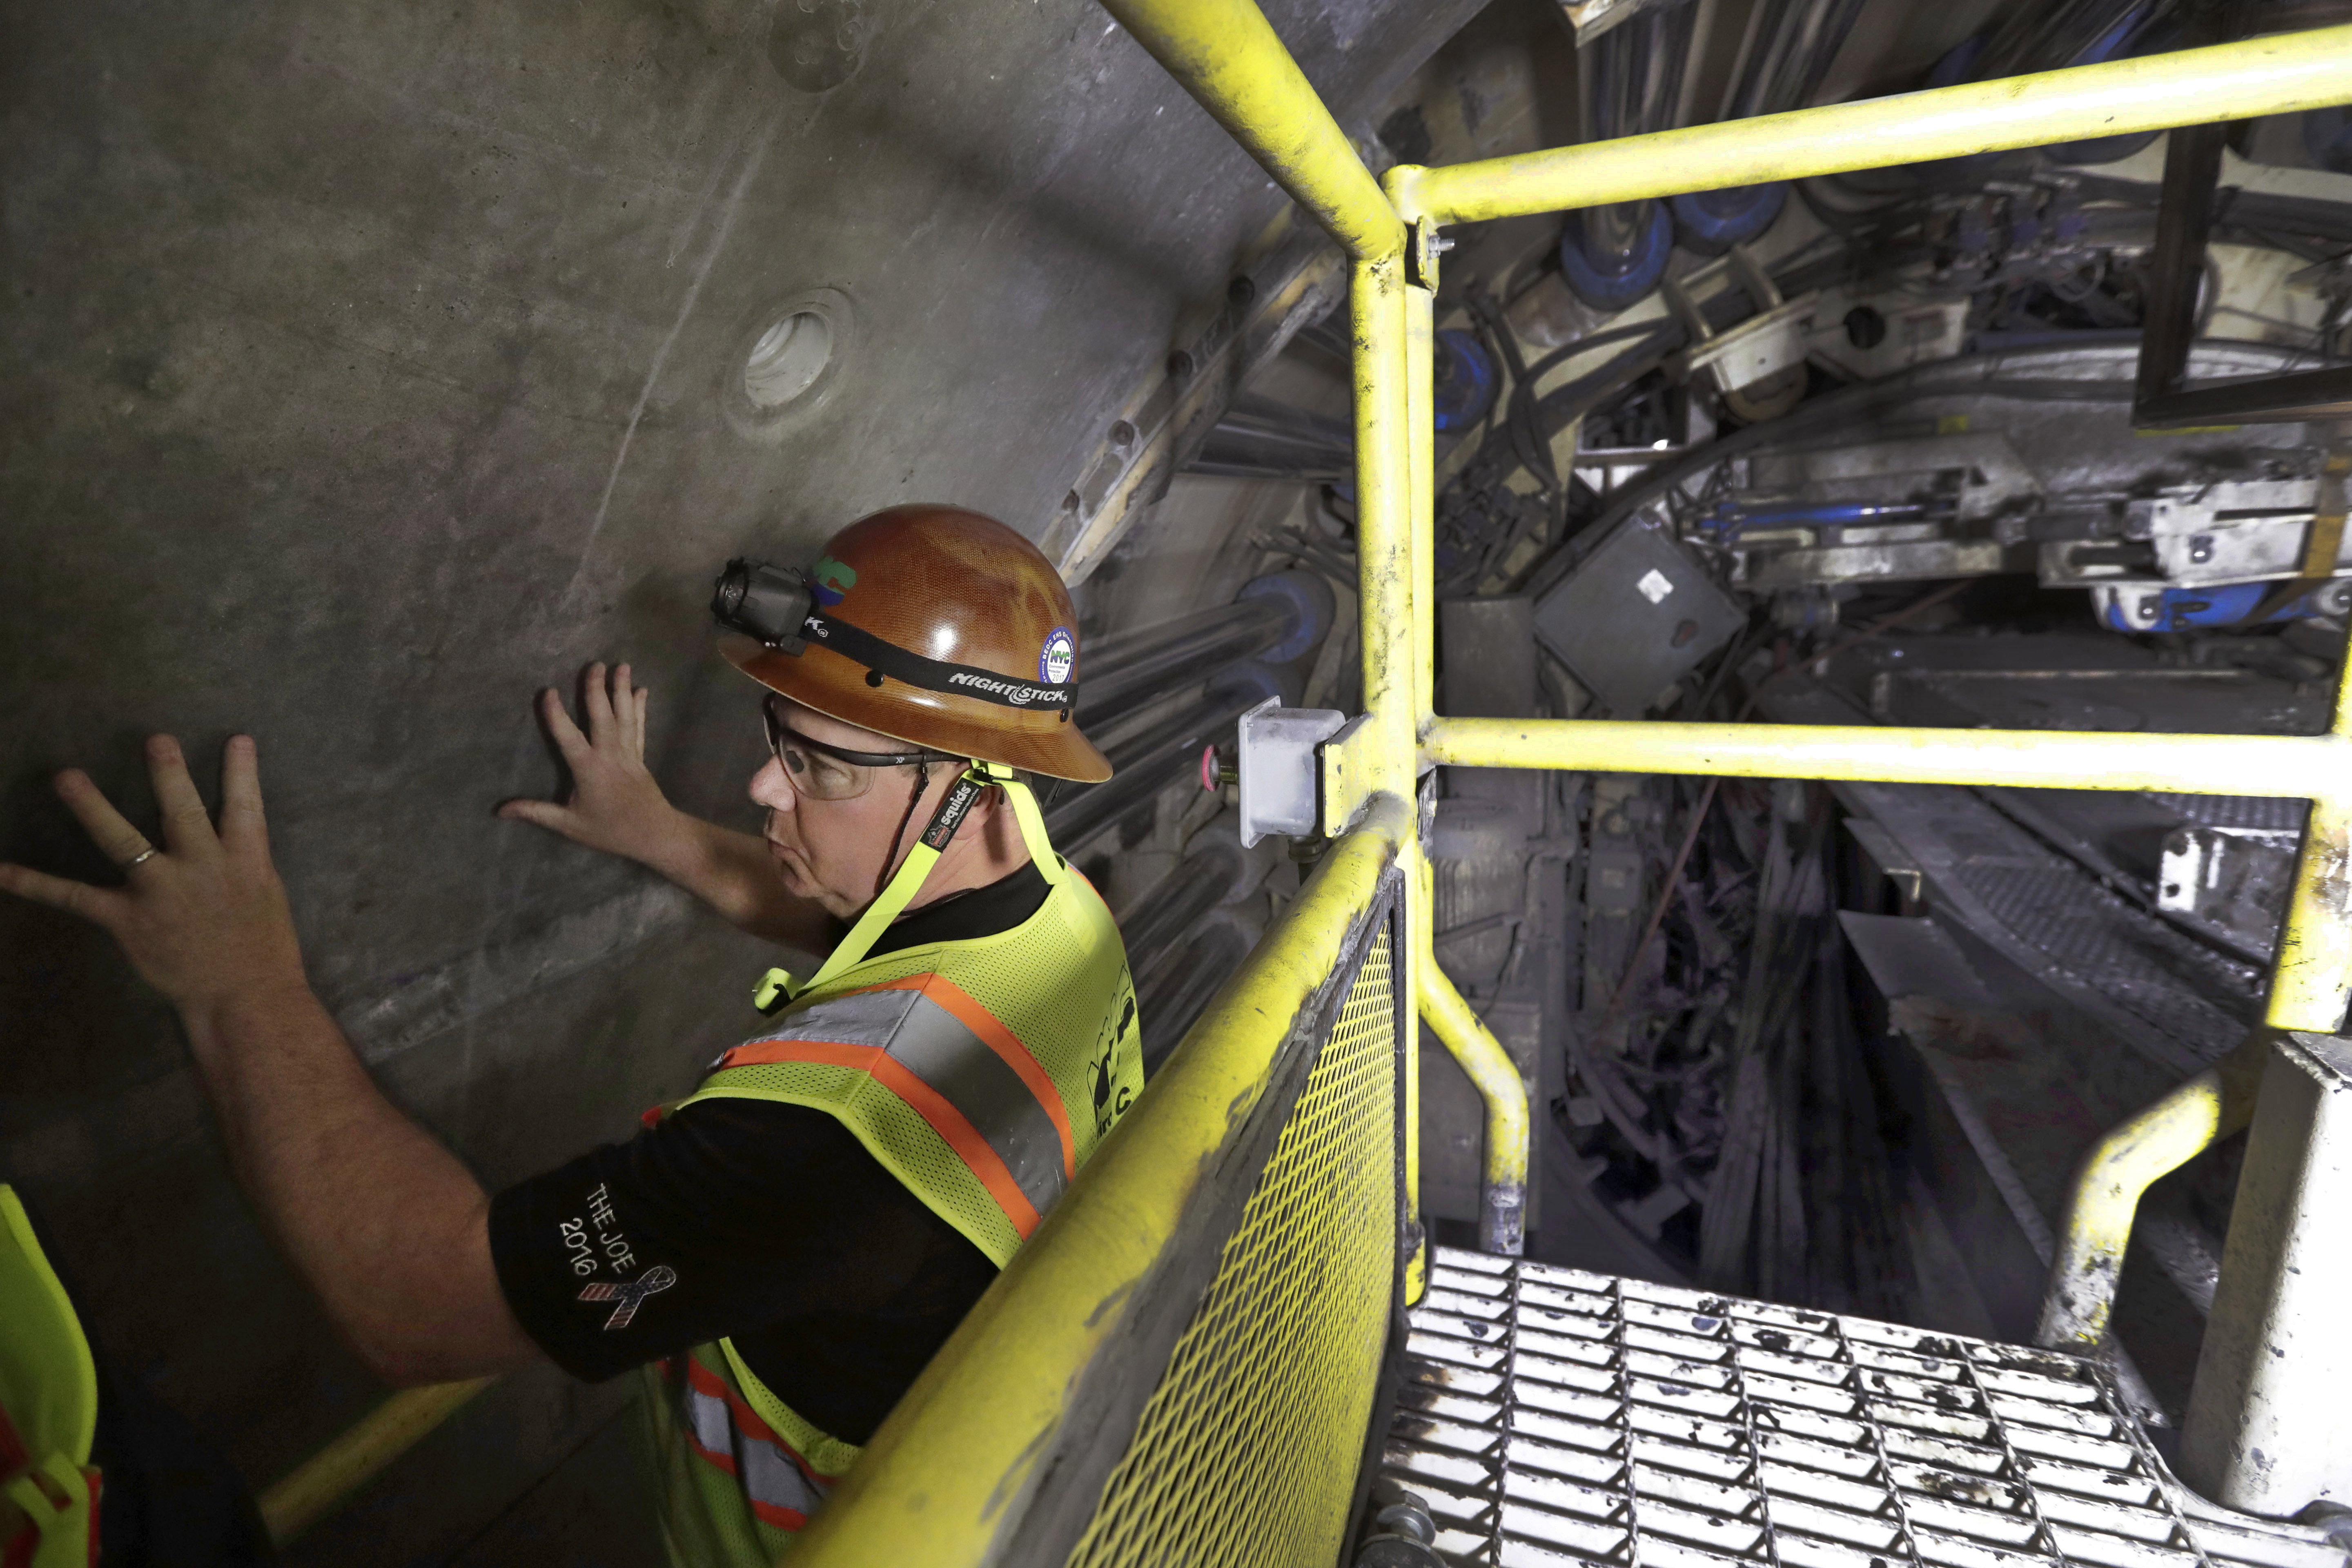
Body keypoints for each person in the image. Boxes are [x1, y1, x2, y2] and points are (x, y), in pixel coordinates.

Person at [0, 503, 1145, 1565]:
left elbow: (412, 1303)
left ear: (969, 794)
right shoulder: (1053, 909)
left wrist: (235, 980)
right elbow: (866, 915)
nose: (761, 786)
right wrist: (658, 833)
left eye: (818, 767)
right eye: (779, 740)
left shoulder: (837, 1146)